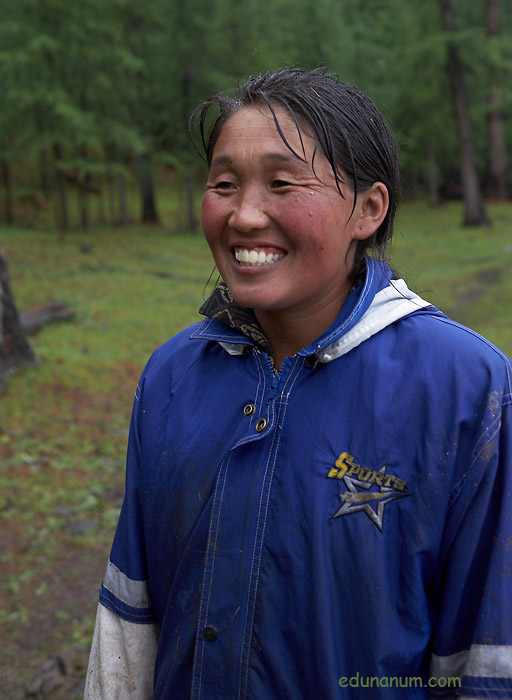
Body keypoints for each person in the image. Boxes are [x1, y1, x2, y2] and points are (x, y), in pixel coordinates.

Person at [84, 67, 512, 699]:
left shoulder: (468, 389)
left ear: (369, 208)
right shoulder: (172, 376)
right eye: (223, 184)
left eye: (282, 183)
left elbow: (488, 655)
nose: (244, 215)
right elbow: (130, 617)